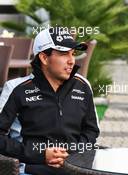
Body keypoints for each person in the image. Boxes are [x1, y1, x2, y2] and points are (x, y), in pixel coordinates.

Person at [0, 27, 100, 175]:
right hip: (30, 171)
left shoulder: (83, 86)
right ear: (44, 58)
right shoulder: (15, 89)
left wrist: (70, 153)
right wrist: (40, 154)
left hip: (75, 170)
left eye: (73, 54)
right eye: (64, 54)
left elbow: (91, 131)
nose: (71, 60)